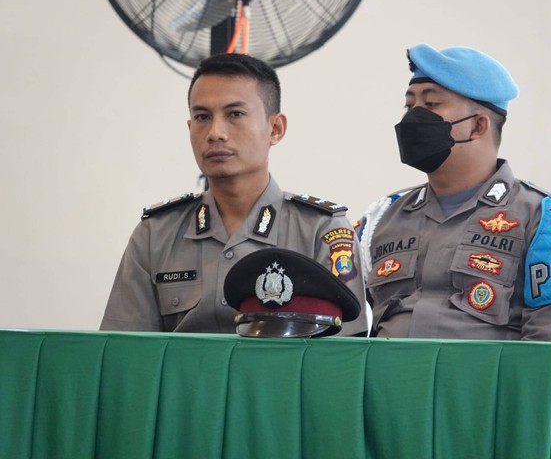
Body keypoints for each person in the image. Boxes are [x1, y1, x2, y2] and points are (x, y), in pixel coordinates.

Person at [100, 53, 368, 335]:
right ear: (190, 129)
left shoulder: (322, 231)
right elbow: (126, 353)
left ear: (275, 129)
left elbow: (342, 358)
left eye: (235, 114)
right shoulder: (156, 234)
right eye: (202, 117)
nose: (215, 133)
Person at [356, 43, 551, 341]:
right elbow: (349, 332)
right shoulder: (382, 218)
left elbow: (549, 353)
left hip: (484, 388)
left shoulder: (544, 219)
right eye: (409, 105)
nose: (412, 118)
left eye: (430, 105)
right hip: (390, 385)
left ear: (479, 125)